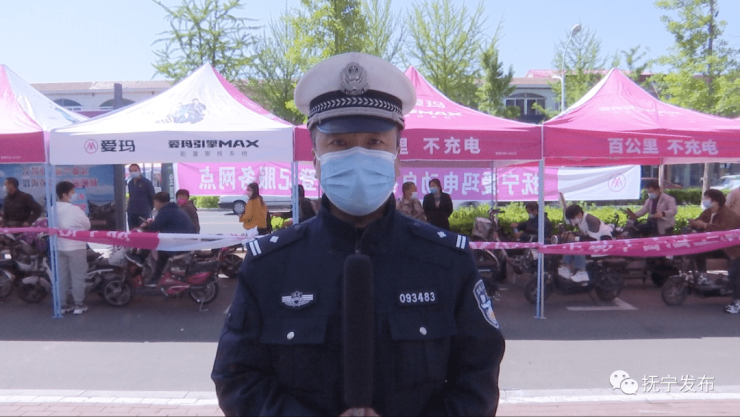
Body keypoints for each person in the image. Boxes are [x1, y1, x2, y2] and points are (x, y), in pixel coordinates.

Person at [212, 52, 505, 416]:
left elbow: (477, 381)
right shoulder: (270, 266)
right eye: (339, 143)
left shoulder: (447, 262)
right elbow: (237, 378)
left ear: (397, 159)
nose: (358, 155)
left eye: (374, 142)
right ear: (316, 160)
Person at [689, 189, 740, 314]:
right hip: (717, 246)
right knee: (698, 250)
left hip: (732, 249)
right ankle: (703, 276)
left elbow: (725, 230)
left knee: (735, 274)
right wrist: (694, 224)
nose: (704, 200)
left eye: (706, 198)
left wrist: (705, 226)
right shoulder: (708, 212)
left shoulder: (729, 215)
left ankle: (737, 302)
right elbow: (699, 221)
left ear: (715, 201)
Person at [141, 192, 196, 287]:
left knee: (160, 252)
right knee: (161, 250)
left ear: (157, 202)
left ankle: (155, 278)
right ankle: (157, 277)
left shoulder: (165, 211)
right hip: (186, 241)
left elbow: (153, 228)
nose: (154, 205)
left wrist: (145, 229)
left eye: (155, 203)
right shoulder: (173, 209)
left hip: (181, 243)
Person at [55, 181, 92, 315]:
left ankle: (62, 304)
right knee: (78, 276)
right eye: (72, 192)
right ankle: (78, 304)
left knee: (62, 277)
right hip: (76, 247)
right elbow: (87, 225)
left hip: (59, 246)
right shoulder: (75, 210)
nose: (75, 195)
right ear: (64, 195)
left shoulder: (52, 208)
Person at [561, 204, 613, 284]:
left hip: (604, 244)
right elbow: (585, 235)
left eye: (573, 218)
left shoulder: (591, 220)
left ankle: (582, 271)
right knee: (570, 243)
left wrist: (575, 238)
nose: (572, 221)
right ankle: (567, 267)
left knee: (579, 245)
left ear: (579, 214)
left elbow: (593, 239)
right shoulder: (581, 221)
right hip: (596, 242)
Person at [126, 164, 155, 231]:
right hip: (131, 212)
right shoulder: (130, 183)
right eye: (131, 171)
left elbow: (152, 197)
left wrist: (149, 208)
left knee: (143, 231)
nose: (133, 172)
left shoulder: (147, 183)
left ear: (139, 171)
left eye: (135, 170)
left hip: (143, 212)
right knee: (132, 231)